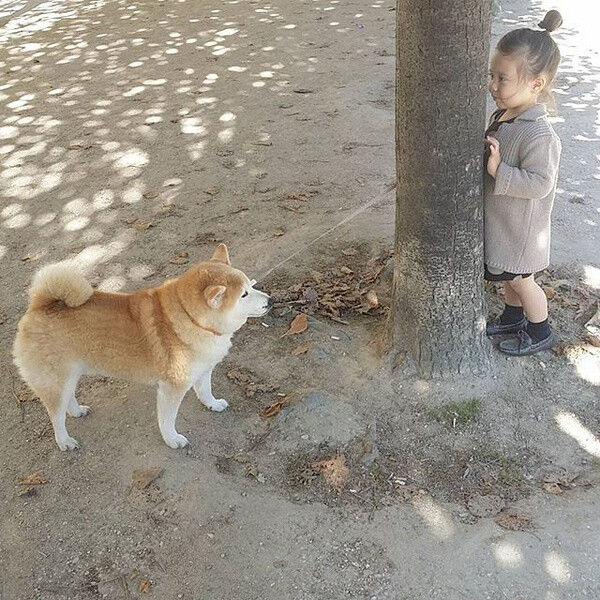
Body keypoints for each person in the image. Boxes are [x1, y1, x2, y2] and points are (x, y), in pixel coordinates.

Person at [484, 9, 563, 356]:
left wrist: (500, 171)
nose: (493, 86)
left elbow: (540, 183)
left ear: (536, 84)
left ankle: (540, 329)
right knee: (507, 278)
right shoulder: (503, 115)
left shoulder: (539, 134)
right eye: (492, 75)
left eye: (503, 79)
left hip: (523, 231)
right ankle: (513, 316)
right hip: (505, 224)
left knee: (522, 280)